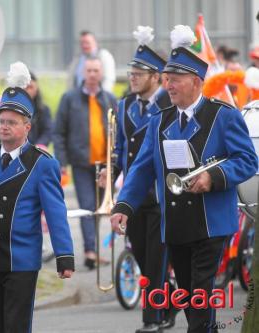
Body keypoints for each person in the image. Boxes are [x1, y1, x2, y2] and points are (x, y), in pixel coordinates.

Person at [110, 25, 258, 333]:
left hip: (210, 224)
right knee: (192, 300)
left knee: (200, 298)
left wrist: (214, 176)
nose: (168, 85)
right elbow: (142, 167)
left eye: (174, 79)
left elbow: (248, 161)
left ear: (195, 81)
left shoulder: (223, 115)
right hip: (175, 224)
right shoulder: (160, 121)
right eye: (166, 79)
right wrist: (124, 204)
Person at [0, 62, 75, 333]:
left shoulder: (42, 163)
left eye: (12, 122)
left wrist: (65, 255)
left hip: (20, 255)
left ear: (27, 127)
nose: (4, 127)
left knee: (16, 323)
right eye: (1, 121)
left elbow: (56, 212)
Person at [100, 26, 177, 333]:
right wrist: (112, 172)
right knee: (144, 259)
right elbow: (120, 148)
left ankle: (152, 319)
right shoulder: (125, 105)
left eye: (139, 72)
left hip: (160, 194)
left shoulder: (169, 106)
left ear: (157, 76)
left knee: (157, 258)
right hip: (133, 197)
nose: (132, 76)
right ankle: (169, 301)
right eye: (131, 71)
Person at [54, 56, 117, 269]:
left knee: (101, 208)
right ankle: (90, 251)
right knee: (87, 206)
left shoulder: (109, 99)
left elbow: (118, 131)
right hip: (81, 163)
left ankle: (95, 249)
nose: (92, 74)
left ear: (101, 74)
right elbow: (59, 131)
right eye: (88, 70)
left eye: (95, 70)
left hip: (105, 164)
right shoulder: (69, 99)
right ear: (82, 73)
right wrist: (62, 161)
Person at [0, 71, 53, 147]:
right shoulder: (4, 104)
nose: (27, 91)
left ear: (36, 89)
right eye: (24, 87)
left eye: (30, 87)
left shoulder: (43, 109)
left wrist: (40, 145)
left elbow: (48, 131)